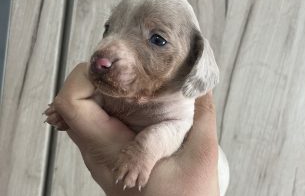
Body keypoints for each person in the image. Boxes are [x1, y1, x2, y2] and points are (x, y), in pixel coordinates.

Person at [48, 63, 219, 196]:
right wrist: (80, 107)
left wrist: (144, 149)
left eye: (158, 41)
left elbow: (178, 127)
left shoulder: (182, 99)